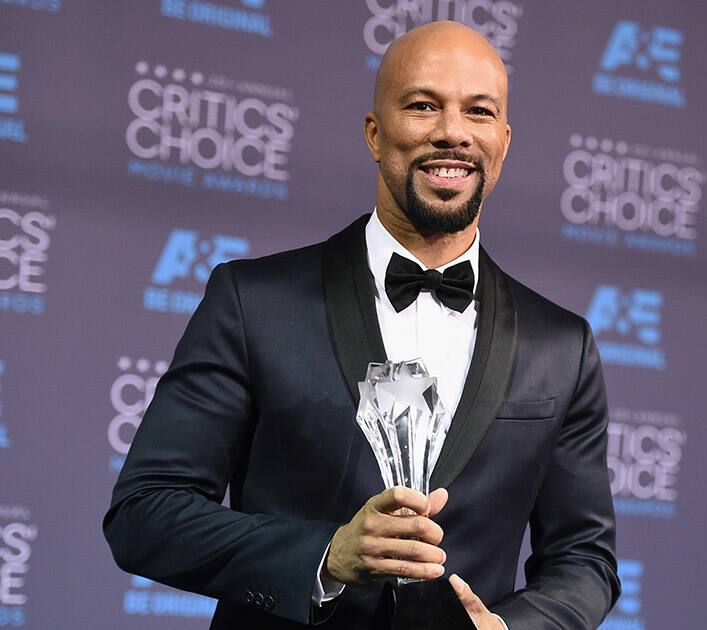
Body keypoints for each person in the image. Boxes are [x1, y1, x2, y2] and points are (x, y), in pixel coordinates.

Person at [104, 20, 619, 630]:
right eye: (423, 106)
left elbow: (585, 560)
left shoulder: (561, 345)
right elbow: (145, 512)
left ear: (503, 141)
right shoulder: (255, 303)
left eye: (478, 112)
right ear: (375, 133)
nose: (452, 133)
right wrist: (324, 556)